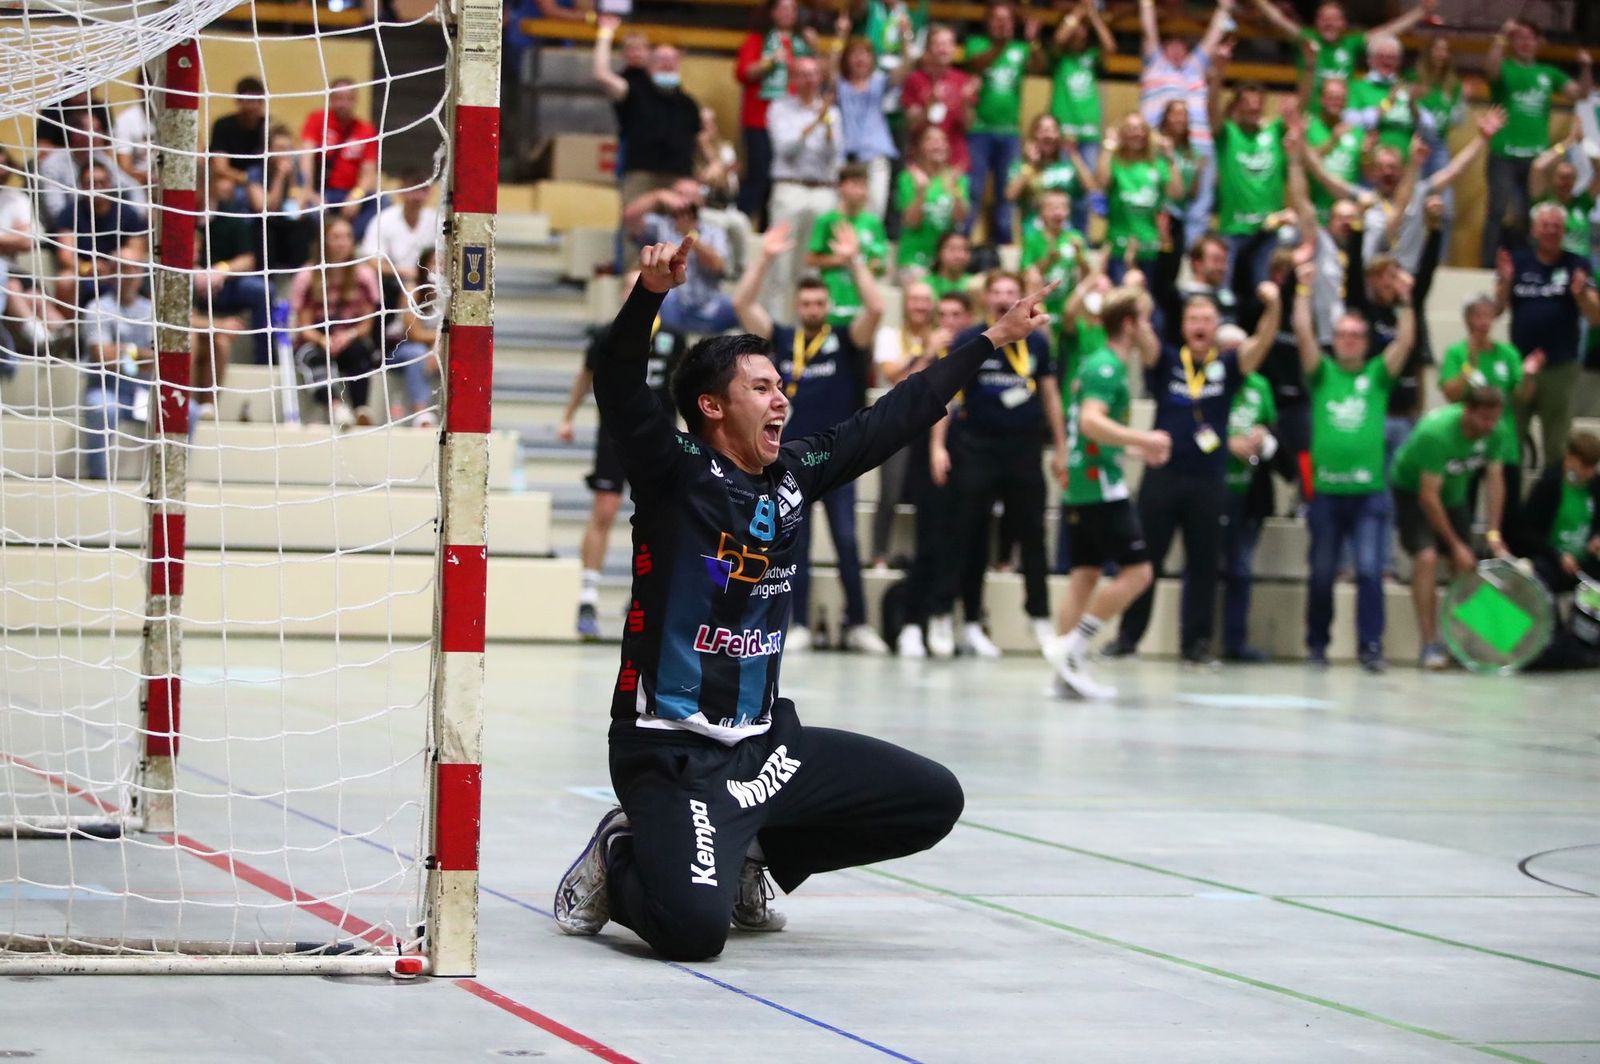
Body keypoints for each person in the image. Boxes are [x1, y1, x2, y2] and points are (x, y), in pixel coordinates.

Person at [552, 236, 1051, 960]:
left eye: (780, 385)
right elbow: (621, 379)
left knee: (931, 799)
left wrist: (991, 341)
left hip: (762, 752)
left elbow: (891, 417)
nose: (781, 397)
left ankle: (759, 861)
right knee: (693, 933)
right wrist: (649, 295)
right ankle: (620, 855)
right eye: (761, 388)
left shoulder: (793, 473)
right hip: (671, 755)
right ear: (712, 408)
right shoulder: (674, 470)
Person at [1105, 280, 1284, 664]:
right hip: (1163, 476)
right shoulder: (1168, 360)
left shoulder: (1230, 366)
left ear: (1217, 326)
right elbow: (1143, 333)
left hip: (1208, 479)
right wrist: (1137, 291)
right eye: (1193, 318)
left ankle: (1196, 645)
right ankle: (1127, 638)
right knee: (1144, 560)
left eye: (1207, 318)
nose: (1200, 324)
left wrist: (1273, 307)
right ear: (1184, 326)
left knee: (1203, 563)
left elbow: (1263, 342)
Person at [733, 223, 888, 653]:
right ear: (797, 305)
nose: (813, 307)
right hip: (790, 462)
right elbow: (741, 302)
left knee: (846, 539)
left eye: (819, 302)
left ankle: (857, 622)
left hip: (838, 458)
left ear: (828, 304)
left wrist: (854, 260)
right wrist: (764, 257)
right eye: (806, 302)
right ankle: (797, 623)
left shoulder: (843, 339)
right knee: (793, 542)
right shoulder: (781, 339)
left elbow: (875, 310)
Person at [926, 271, 1066, 658]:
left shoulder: (1037, 342)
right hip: (976, 447)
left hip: (1023, 450)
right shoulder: (972, 337)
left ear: (1021, 298)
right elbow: (946, 396)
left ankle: (1039, 616)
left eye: (1011, 292)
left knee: (1033, 534)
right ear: (987, 299)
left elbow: (1052, 397)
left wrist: (1061, 447)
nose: (1004, 298)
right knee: (964, 535)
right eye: (997, 292)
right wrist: (938, 447)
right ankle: (945, 613)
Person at [1045, 285, 1172, 698]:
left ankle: (1064, 677)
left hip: (1083, 481)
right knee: (1140, 573)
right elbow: (1091, 423)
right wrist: (1146, 438)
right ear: (1131, 324)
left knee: (1085, 575)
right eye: (1146, 319)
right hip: (1099, 484)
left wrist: (1134, 448)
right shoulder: (1107, 366)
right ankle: (1073, 646)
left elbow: (1092, 432)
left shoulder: (1096, 361)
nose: (1150, 328)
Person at [1292, 260, 1414, 671]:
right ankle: (1316, 645)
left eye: (1356, 336)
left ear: (1365, 342)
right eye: (1342, 335)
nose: (1348, 341)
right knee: (1322, 573)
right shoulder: (1321, 374)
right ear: (1335, 339)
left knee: (1368, 571)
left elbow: (1406, 342)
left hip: (1367, 496)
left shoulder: (1378, 376)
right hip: (1326, 494)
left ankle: (1371, 647)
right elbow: (1304, 333)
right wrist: (1303, 291)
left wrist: (1407, 300)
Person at [557, 270, 687, 640]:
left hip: (659, 439)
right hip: (615, 435)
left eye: (641, 285)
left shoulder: (674, 336)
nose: (637, 291)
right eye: (631, 287)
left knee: (658, 517)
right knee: (605, 509)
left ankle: (644, 599)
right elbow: (586, 376)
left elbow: (685, 386)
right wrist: (567, 417)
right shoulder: (606, 334)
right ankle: (588, 597)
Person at [1390, 389, 1513, 670]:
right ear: (1467, 411)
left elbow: (1496, 482)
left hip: (1454, 493)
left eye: (1494, 419)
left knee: (1468, 566)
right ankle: (1429, 644)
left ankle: (1473, 643)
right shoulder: (1436, 433)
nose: (1489, 426)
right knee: (1427, 557)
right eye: (1483, 419)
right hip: (1412, 491)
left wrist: (1494, 534)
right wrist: (1455, 545)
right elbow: (1428, 498)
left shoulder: (1496, 431)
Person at [896, 288, 975, 657]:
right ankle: (913, 621)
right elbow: (903, 391)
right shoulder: (930, 353)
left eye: (956, 315)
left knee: (961, 539)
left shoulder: (976, 353)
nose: (949, 322)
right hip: (925, 450)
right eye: (942, 315)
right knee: (927, 538)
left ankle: (945, 613)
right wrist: (928, 351)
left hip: (967, 449)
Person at [1495, 202, 1600, 468]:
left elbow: (1596, 317)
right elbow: (1496, 309)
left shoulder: (1577, 263)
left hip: (1560, 366)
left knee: (1557, 446)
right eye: (1546, 225)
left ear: (1564, 231)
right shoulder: (1518, 261)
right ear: (1534, 230)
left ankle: (1553, 503)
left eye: (1557, 227)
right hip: (1520, 365)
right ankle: (1510, 506)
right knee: (1511, 441)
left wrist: (1581, 296)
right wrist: (1505, 281)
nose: (1552, 231)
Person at [1481, 20, 1592, 266]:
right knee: (1499, 211)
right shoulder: (1506, 67)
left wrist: (1585, 67)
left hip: (1536, 161)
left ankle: (1524, 267)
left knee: (1529, 216)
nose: (1525, 43)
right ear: (1512, 42)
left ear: (1538, 42)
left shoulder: (1547, 73)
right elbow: (1490, 69)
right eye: (1519, 38)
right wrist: (1501, 35)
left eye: (1530, 38)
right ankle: (1486, 268)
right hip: (1504, 154)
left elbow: (1580, 93)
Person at [1137, 0, 1233, 246]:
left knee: (1199, 211)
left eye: (1183, 46)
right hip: (1163, 145)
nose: (1178, 50)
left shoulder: (1195, 69)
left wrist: (1223, 9)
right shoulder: (1155, 66)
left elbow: (1212, 39)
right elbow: (1149, 32)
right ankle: (1160, 257)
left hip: (1199, 147)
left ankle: (1192, 262)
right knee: (1162, 207)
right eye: (1172, 45)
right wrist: (1146, 5)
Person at [1439, 294, 1540, 514]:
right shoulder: (1456, 353)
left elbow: (1523, 396)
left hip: (1503, 440)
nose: (1484, 322)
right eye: (1478, 316)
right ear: (1468, 320)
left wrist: (1530, 375)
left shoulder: (1507, 353)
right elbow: (1451, 395)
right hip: (1466, 442)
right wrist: (1469, 367)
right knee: (1463, 507)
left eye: (1488, 316)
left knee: (1508, 510)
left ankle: (1497, 542)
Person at [870, 280, 947, 567]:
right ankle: (879, 554)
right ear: (905, 303)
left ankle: (928, 558)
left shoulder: (944, 337)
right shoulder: (890, 336)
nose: (920, 306)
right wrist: (927, 352)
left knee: (932, 495)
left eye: (926, 300)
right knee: (889, 492)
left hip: (933, 420)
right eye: (915, 299)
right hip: (897, 421)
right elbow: (896, 379)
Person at [593, 16, 702, 206]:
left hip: (679, 178)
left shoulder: (688, 103)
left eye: (671, 59)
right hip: (641, 174)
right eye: (661, 59)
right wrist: (605, 33)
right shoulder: (633, 90)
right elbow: (602, 75)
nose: (667, 64)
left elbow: (700, 141)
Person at [764, 55, 844, 313]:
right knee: (781, 263)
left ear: (820, 77)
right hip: (790, 188)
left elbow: (837, 155)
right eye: (803, 74)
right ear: (793, 79)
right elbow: (786, 149)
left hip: (823, 191)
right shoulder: (779, 109)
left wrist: (827, 127)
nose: (809, 79)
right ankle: (774, 329)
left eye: (813, 73)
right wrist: (816, 122)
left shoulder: (832, 112)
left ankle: (803, 330)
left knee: (811, 268)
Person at [192, 169, 270, 420]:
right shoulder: (177, 216)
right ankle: (189, 401)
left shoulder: (230, 215)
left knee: (261, 290)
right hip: (188, 291)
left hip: (223, 288)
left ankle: (264, 360)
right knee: (202, 339)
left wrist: (220, 270)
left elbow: (249, 259)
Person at [290, 216, 381, 427]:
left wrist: (347, 337)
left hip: (349, 336)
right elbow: (303, 325)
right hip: (315, 338)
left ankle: (360, 409)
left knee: (360, 351)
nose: (342, 242)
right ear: (324, 242)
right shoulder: (306, 276)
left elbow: (367, 324)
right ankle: (335, 407)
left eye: (347, 237)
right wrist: (323, 340)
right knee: (312, 356)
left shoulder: (364, 275)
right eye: (336, 237)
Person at [1206, 55, 1288, 285]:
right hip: (1233, 228)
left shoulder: (1273, 132)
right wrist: (1218, 73)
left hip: (1269, 230)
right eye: (1248, 103)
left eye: (1258, 103)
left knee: (1265, 290)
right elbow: (1211, 110)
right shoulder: (1227, 134)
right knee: (1225, 290)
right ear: (1238, 106)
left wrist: (1310, 65)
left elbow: (1302, 105)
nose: (1254, 108)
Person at [962, 1, 1038, 246]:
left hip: (1010, 132)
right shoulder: (976, 44)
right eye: (996, 19)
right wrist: (1000, 46)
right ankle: (961, 241)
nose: (1001, 23)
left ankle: (1003, 242)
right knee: (974, 189)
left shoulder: (1020, 48)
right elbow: (976, 64)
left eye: (1006, 19)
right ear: (988, 22)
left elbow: (1039, 66)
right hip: (980, 131)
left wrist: (1033, 41)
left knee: (1007, 193)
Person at [1248, 0, 1436, 94]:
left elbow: (1386, 32)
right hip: (1311, 116)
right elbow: (1277, 19)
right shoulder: (1307, 38)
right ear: (1316, 22)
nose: (1329, 24)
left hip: (1344, 115)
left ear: (1343, 24)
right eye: (1324, 19)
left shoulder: (1350, 44)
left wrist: (1420, 12)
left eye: (1334, 19)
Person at [625, 178, 737, 334]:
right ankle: (636, 342)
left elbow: (717, 265)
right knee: (634, 280)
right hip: (670, 305)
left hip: (710, 306)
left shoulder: (714, 231)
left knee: (739, 304)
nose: (685, 200)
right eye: (680, 194)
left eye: (692, 195)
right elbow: (629, 218)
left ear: (702, 201)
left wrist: (689, 234)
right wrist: (657, 196)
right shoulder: (660, 225)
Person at [78, 252, 152, 480]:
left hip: (143, 390)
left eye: (133, 269)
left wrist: (123, 352)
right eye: (123, 268)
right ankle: (98, 477)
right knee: (102, 408)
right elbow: (101, 356)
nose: (128, 275)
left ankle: (167, 480)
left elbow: (155, 359)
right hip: (105, 388)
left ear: (142, 274)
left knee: (189, 411)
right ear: (111, 274)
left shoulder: (151, 310)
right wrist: (136, 354)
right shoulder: (97, 308)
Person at [1221, 362, 1277, 663]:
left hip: (1249, 493)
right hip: (1211, 490)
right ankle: (1196, 642)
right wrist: (1226, 444)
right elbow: (1189, 429)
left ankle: (1235, 642)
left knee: (1240, 569)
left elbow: (1274, 433)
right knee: (1202, 568)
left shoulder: (1260, 385)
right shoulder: (1206, 378)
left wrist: (1263, 436)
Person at [1047, 0, 1116, 227]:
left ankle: (1081, 241)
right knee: (1061, 190)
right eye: (1077, 26)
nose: (1079, 30)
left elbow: (1110, 47)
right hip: (1064, 134)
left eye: (1082, 27)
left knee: (1086, 192)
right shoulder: (1060, 59)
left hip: (1089, 134)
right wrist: (1078, 11)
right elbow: (1058, 39)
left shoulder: (1091, 58)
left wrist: (1093, 16)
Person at [1095, 111, 1183, 282]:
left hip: (1149, 248)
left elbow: (1177, 193)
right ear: (1121, 133)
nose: (1136, 133)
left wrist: (1170, 158)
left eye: (1141, 128)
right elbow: (1101, 184)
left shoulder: (1157, 164)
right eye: (1130, 128)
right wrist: (1108, 147)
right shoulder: (1115, 162)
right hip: (1119, 246)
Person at [1508, 432, 1600, 593]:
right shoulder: (1549, 485)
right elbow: (1526, 532)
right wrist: (1558, 556)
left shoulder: (1595, 485)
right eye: (1584, 466)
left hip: (1584, 562)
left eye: (1592, 467)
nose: (1589, 473)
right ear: (1570, 458)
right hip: (1551, 560)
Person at [805, 163, 890, 330]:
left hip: (862, 304)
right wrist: (842, 259)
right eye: (855, 185)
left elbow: (882, 265)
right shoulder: (827, 221)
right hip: (832, 302)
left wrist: (872, 265)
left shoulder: (873, 223)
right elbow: (810, 259)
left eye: (864, 185)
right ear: (841, 187)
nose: (861, 191)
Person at [298, 77, 379, 239]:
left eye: (348, 99)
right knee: (308, 211)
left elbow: (369, 171)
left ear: (355, 101)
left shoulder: (366, 130)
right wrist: (308, 191)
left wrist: (356, 196)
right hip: (321, 191)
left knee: (382, 202)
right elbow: (305, 158)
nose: (343, 103)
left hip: (349, 193)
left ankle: (350, 246)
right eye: (338, 98)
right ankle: (323, 250)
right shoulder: (317, 120)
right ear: (330, 99)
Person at [834, 36, 903, 217]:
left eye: (865, 54)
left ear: (873, 59)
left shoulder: (879, 82)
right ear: (846, 59)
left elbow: (903, 72)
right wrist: (839, 37)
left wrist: (904, 41)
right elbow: (828, 71)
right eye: (854, 54)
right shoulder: (839, 85)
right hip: (845, 157)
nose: (860, 59)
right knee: (841, 212)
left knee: (874, 211)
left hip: (875, 157)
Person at [894, 125, 970, 278]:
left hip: (945, 261)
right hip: (914, 258)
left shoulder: (958, 178)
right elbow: (911, 222)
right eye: (931, 140)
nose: (938, 144)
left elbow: (960, 218)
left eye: (942, 140)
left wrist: (955, 191)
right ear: (920, 147)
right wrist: (921, 192)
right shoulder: (908, 178)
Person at [900, 24, 974, 175]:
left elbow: (968, 125)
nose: (944, 49)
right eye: (938, 44)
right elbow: (911, 124)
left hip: (955, 163)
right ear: (928, 49)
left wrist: (966, 104)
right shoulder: (915, 79)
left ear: (954, 49)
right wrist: (929, 104)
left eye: (948, 44)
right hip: (921, 163)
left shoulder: (963, 80)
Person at [1004, 113, 1092, 235]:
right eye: (1043, 130)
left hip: (1065, 237)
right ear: (1033, 136)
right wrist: (1030, 165)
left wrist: (1074, 154)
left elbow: (1090, 187)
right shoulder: (1022, 167)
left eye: (1053, 130)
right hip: (1033, 236)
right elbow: (1010, 195)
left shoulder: (1067, 168)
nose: (1048, 135)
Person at [389, 247, 441, 426]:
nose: (439, 267)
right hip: (398, 350)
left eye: (443, 262)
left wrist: (438, 347)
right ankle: (421, 413)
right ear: (424, 266)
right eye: (434, 262)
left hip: (433, 348)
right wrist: (439, 341)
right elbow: (414, 334)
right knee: (417, 352)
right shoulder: (412, 290)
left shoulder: (452, 295)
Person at [1529, 129, 1600, 259]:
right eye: (1561, 177)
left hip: (1579, 265)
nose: (1565, 182)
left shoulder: (1583, 203)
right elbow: (1538, 166)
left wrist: (1584, 145)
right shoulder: (1543, 201)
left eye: (1569, 178)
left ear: (1575, 180)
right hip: (1551, 264)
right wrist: (1567, 143)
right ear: (1553, 178)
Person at [208, 77, 268, 183]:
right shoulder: (223, 126)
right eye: (248, 100)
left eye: (257, 100)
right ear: (238, 100)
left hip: (262, 181)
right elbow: (220, 167)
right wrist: (246, 179)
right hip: (234, 180)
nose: (252, 106)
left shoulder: (270, 126)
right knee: (224, 186)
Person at [925, 230, 975, 297]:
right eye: (952, 249)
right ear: (939, 253)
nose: (959, 255)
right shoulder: (925, 285)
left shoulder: (975, 284)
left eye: (965, 250)